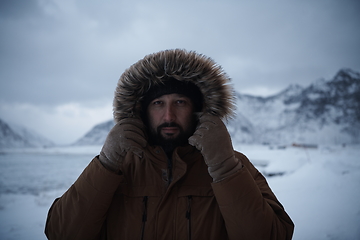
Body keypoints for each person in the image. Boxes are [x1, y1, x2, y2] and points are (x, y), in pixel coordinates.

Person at [45, 49, 294, 240]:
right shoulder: (116, 168)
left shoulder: (231, 165)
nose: (168, 116)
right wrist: (106, 162)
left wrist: (224, 167)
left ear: (198, 109)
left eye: (180, 102)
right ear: (142, 111)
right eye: (158, 104)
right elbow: (61, 233)